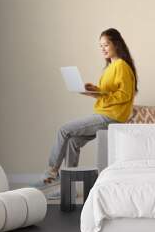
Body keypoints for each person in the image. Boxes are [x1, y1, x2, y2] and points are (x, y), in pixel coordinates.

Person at [31, 28, 138, 196]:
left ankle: (51, 173)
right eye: (100, 46)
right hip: (104, 114)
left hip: (111, 117)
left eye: (106, 45)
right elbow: (108, 93)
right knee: (73, 141)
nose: (103, 49)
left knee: (64, 129)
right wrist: (93, 91)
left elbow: (124, 95)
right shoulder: (111, 67)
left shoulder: (122, 66)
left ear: (116, 44)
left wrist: (99, 94)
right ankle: (68, 188)